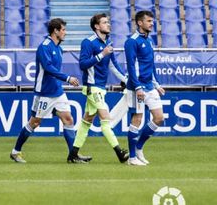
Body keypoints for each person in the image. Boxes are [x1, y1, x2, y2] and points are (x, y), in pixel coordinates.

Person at [10, 18, 89, 163]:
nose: (65, 33)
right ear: (56, 31)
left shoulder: (58, 48)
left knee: (68, 119)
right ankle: (15, 152)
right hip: (44, 93)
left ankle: (73, 155)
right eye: (63, 30)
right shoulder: (44, 46)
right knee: (34, 123)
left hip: (57, 91)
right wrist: (67, 78)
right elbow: (48, 68)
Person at [67, 13, 129, 164]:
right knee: (105, 120)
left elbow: (114, 66)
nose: (108, 24)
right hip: (92, 87)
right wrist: (102, 54)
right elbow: (82, 64)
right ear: (96, 26)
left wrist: (127, 80)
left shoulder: (108, 42)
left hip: (100, 88)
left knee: (87, 121)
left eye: (108, 22)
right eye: (104, 22)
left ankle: (73, 154)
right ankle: (120, 153)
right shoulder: (88, 43)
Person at [124, 10, 165, 166]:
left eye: (152, 21)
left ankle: (139, 148)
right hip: (137, 87)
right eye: (148, 21)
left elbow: (151, 65)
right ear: (140, 23)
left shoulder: (150, 41)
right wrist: (138, 87)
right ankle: (132, 158)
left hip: (149, 85)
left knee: (159, 118)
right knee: (137, 119)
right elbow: (131, 67)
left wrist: (157, 84)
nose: (152, 23)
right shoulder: (132, 41)